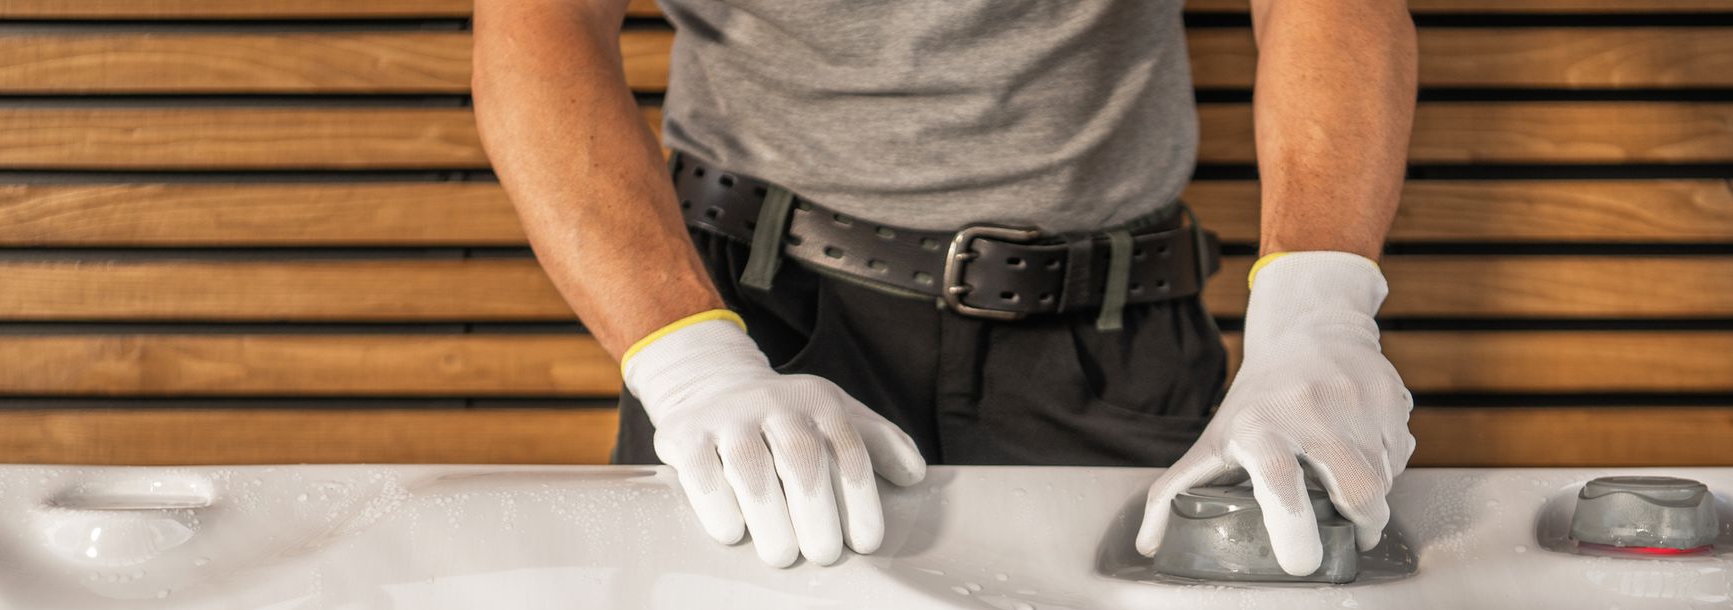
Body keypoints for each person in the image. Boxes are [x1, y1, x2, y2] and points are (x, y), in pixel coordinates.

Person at [473, 0, 1416, 572]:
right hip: (752, 332)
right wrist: (688, 361)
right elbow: (538, 22)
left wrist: (1317, 309)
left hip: (1111, 339)